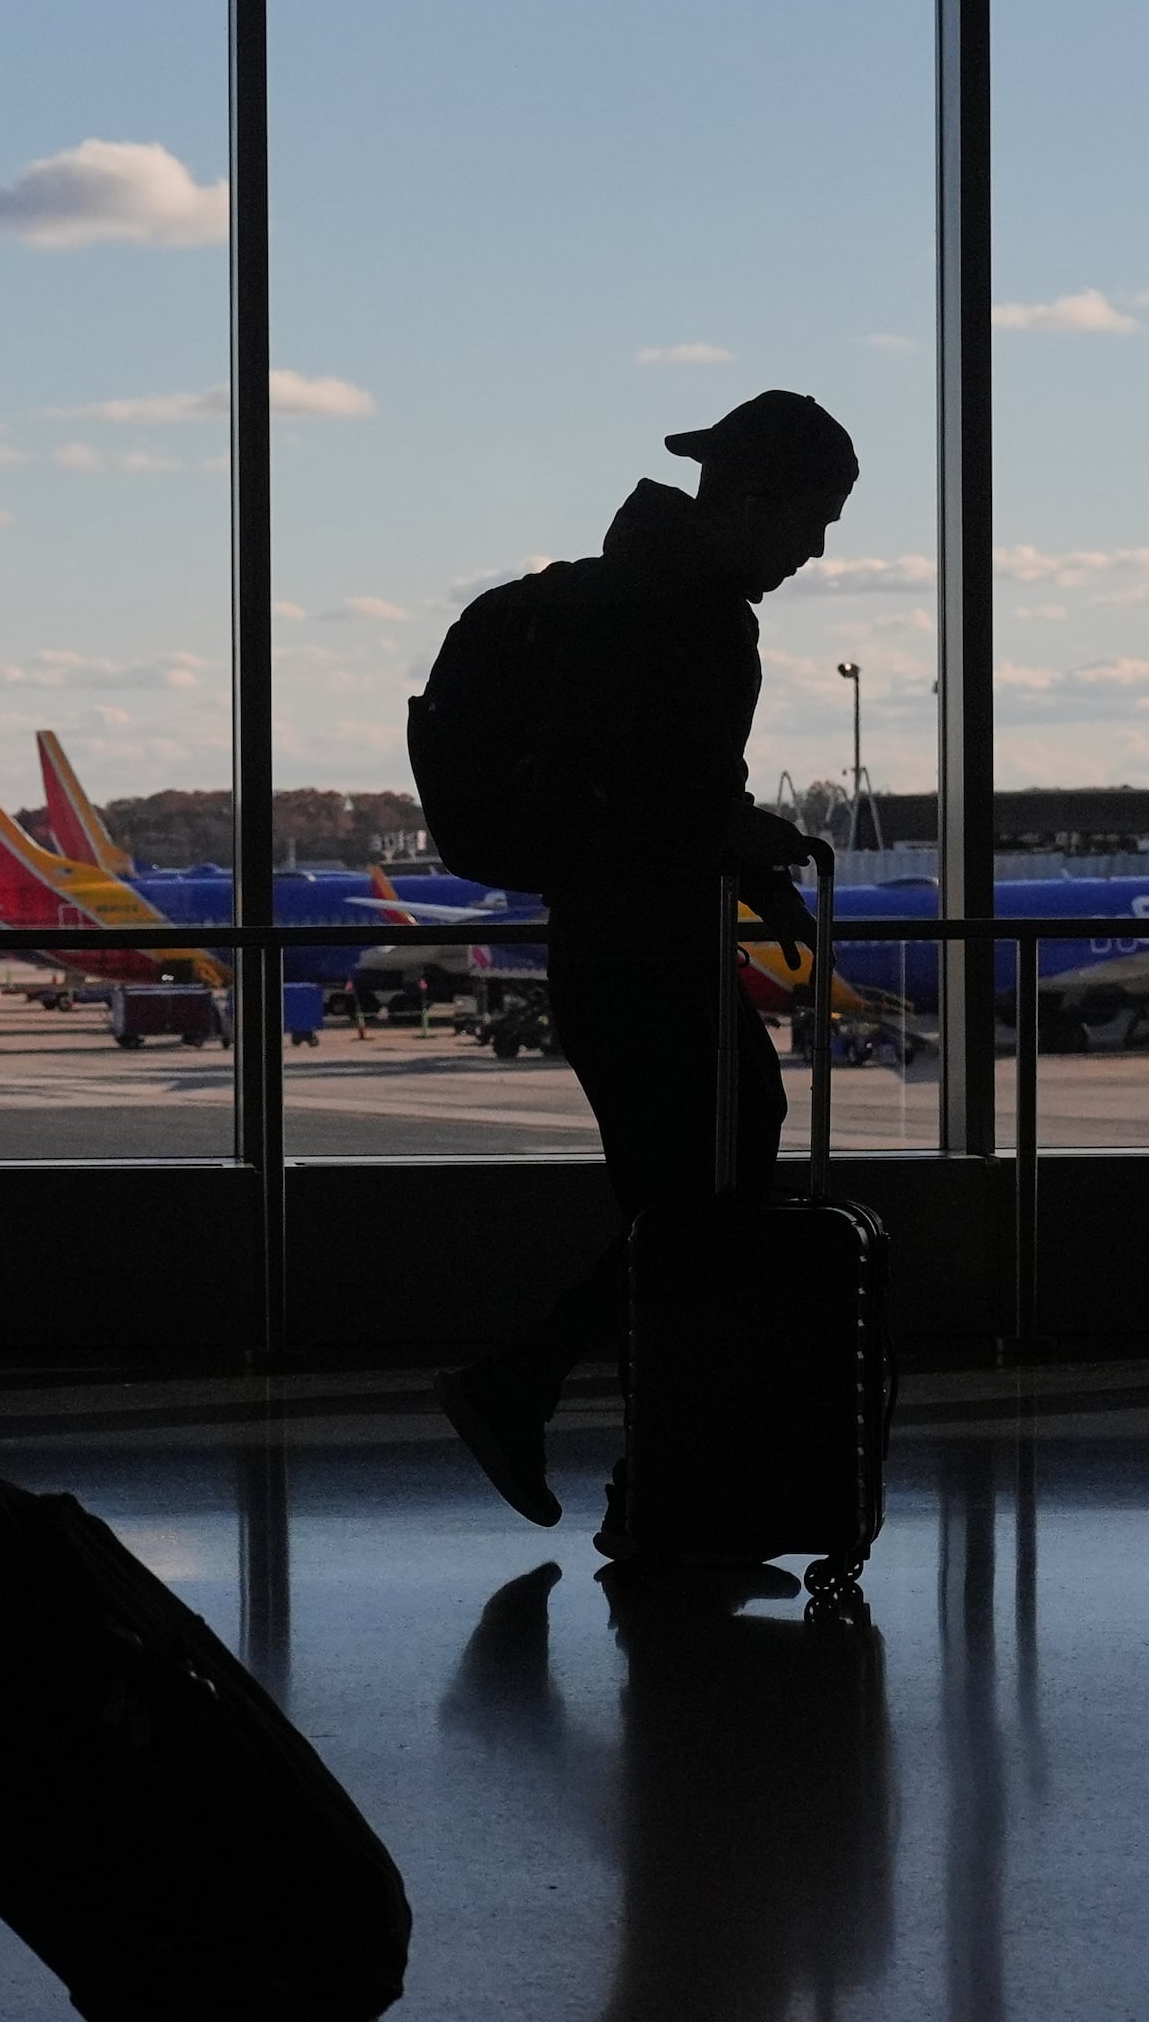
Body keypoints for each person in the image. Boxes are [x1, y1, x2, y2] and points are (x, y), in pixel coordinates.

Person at [430, 391, 855, 1547]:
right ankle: (558, 1413)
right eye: (814, 521)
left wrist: (740, 855)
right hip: (646, 955)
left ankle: (644, 1484)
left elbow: (648, 798)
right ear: (756, 499)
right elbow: (667, 799)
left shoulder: (625, 596)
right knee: (703, 1214)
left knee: (686, 1215)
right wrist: (748, 839)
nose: (816, 551)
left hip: (613, 946)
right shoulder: (688, 615)